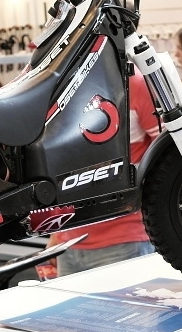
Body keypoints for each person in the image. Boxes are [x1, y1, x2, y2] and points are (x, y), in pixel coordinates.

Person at [40, 67, 160, 277]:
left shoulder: (133, 82)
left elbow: (167, 161)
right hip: (69, 244)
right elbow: (60, 171)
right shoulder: (62, 87)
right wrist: (56, 236)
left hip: (124, 241)